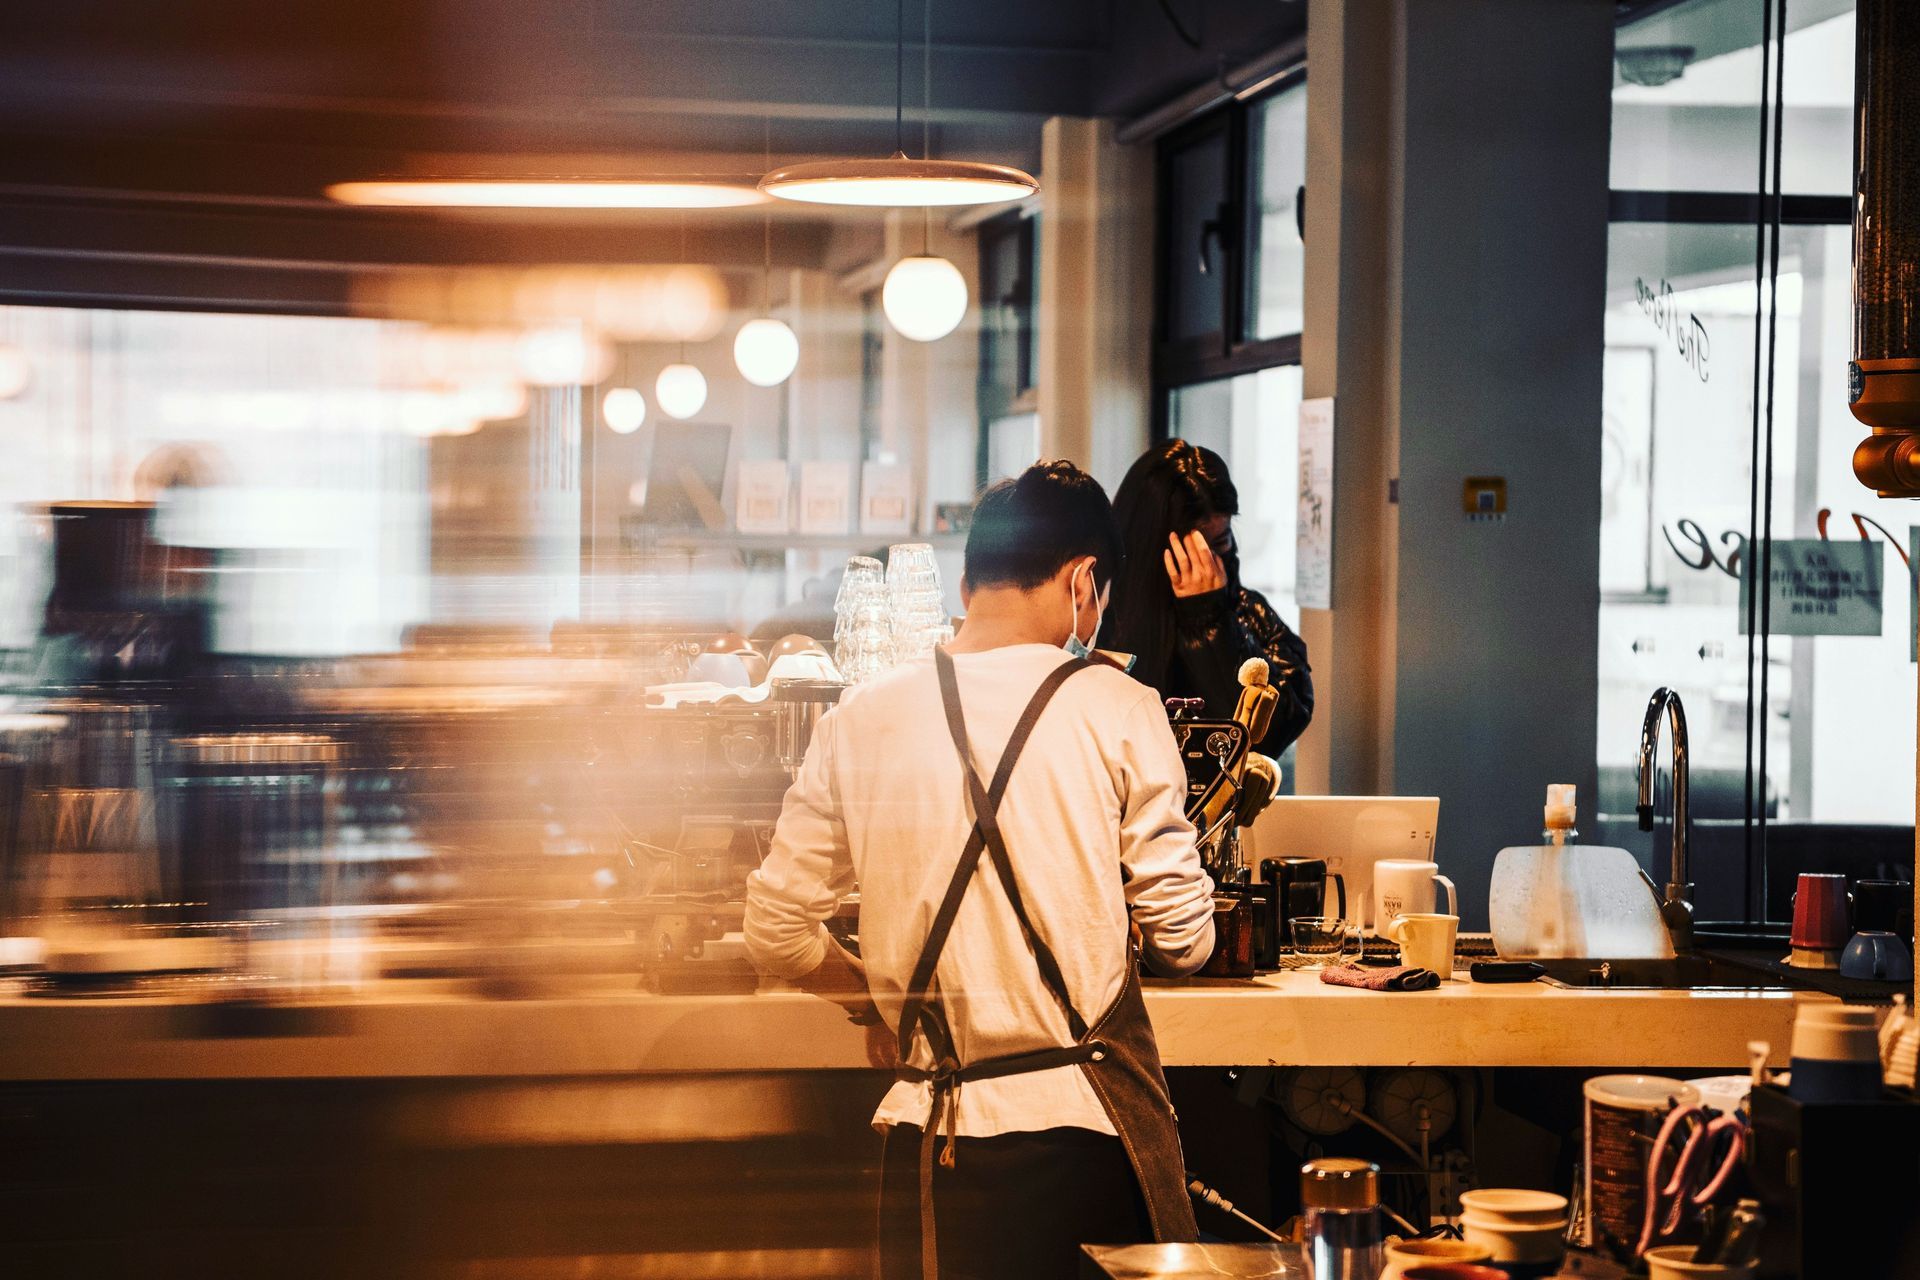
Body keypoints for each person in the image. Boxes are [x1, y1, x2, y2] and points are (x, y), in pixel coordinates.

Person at [744, 461, 1216, 1280]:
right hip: (1083, 1140)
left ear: (967, 581)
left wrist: (878, 1002)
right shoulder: (1119, 706)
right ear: (1084, 583)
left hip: (929, 1141)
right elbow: (1185, 941)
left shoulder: (863, 715)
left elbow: (776, 934)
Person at [1106, 440, 1313, 754]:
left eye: (1221, 541)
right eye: (1190, 553)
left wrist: (1207, 622)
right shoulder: (1096, 611)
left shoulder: (1246, 611)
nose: (1208, 564)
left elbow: (1271, 733)